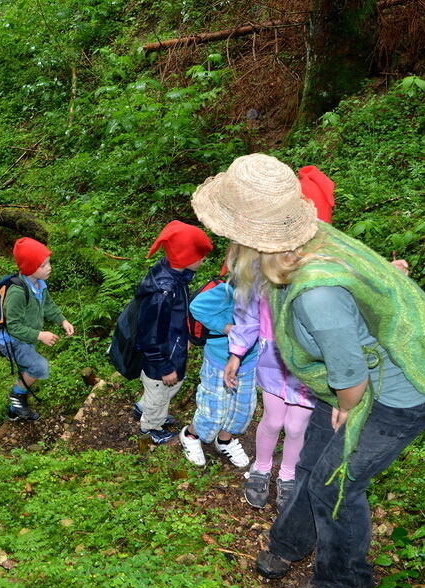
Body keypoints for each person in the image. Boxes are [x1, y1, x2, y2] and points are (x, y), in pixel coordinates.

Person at [191, 153, 425, 588]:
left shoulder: (315, 293)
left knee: (336, 482)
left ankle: (343, 578)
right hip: (353, 375)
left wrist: (348, 404)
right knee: (314, 459)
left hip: (401, 385)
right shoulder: (297, 248)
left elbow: (349, 373)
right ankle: (291, 542)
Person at [227, 165, 335, 509]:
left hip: (310, 362)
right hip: (274, 357)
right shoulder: (263, 265)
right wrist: (236, 351)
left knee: (298, 424)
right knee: (273, 418)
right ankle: (262, 468)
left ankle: (287, 474)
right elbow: (246, 312)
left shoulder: (327, 268)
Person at [133, 221, 212, 445]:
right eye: (201, 256)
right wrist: (164, 367)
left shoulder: (176, 278)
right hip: (158, 360)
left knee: (173, 384)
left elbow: (175, 318)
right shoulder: (163, 292)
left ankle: (145, 408)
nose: (204, 260)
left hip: (172, 347)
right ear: (186, 258)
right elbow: (149, 337)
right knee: (159, 390)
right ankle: (150, 427)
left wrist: (185, 336)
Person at [177, 274, 257, 469]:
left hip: (250, 361)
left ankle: (224, 440)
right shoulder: (230, 289)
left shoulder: (271, 290)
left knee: (243, 408)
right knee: (214, 408)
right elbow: (197, 307)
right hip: (219, 360)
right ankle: (191, 434)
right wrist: (227, 327)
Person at [0, 238, 74, 421]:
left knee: (28, 367)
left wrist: (62, 321)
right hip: (12, 341)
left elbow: (48, 305)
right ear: (30, 268)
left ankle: (14, 410)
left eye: (48, 262)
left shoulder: (39, 284)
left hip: (27, 337)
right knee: (39, 367)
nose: (49, 268)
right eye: (43, 265)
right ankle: (17, 397)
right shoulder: (17, 292)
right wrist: (40, 335)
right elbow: (13, 326)